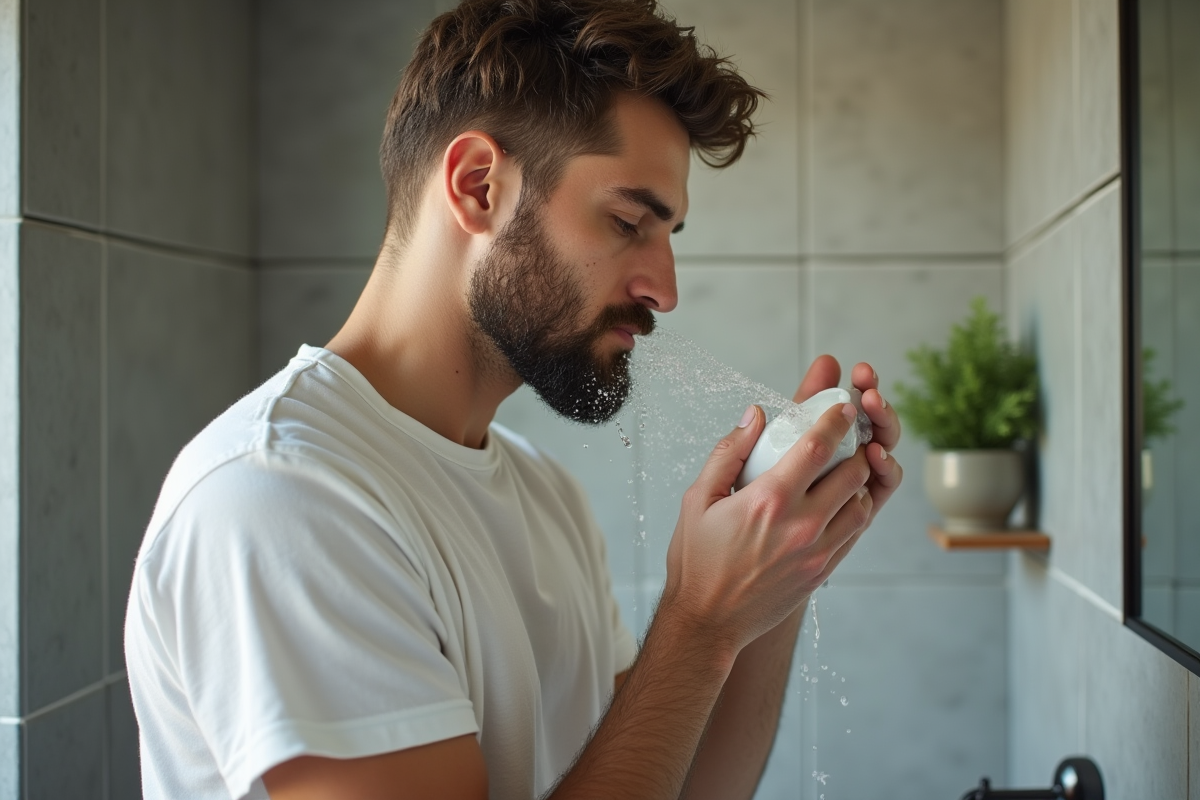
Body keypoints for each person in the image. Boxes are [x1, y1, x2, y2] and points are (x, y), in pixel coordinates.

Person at [124, 0, 904, 798]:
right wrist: (696, 625)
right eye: (630, 221)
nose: (663, 290)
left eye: (668, 237)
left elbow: (678, 786)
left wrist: (773, 577)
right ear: (477, 186)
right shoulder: (282, 498)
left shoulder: (543, 494)